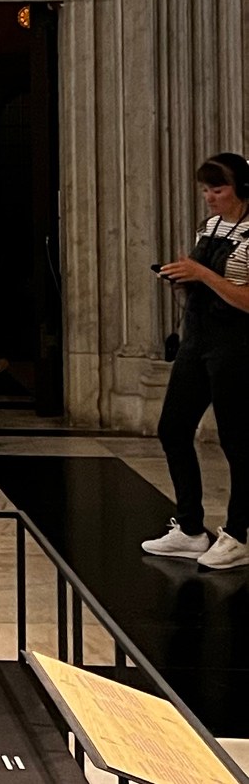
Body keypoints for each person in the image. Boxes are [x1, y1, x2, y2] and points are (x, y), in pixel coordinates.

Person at [141, 153, 249, 571]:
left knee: (236, 441)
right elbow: (204, 283)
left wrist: (202, 274)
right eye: (205, 189)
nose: (209, 197)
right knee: (172, 428)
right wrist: (180, 278)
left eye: (217, 189)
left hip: (236, 344)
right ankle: (189, 528)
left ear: (242, 189)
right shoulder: (210, 226)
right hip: (197, 338)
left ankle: (238, 534)